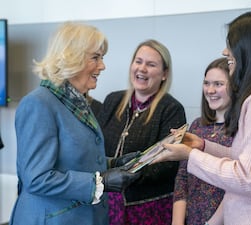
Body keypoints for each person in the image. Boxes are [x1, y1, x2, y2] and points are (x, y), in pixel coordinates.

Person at [154, 8, 251, 225]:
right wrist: (203, 146)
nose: (225, 51)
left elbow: (250, 180)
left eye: (232, 45)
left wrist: (190, 156)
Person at [9, 22, 141, 225]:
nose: (102, 66)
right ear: (72, 58)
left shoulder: (77, 102)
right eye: (95, 57)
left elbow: (73, 160)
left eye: (102, 58)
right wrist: (100, 182)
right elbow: (37, 179)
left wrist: (114, 164)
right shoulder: (38, 104)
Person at [91, 39, 187, 225]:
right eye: (138, 61)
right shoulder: (113, 100)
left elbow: (168, 165)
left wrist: (126, 174)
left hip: (148, 209)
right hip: (107, 203)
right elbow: (97, 143)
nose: (142, 69)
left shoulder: (171, 109)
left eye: (151, 65)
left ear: (164, 74)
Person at [172, 57, 233, 225]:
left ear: (235, 87)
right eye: (207, 83)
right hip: (193, 219)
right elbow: (183, 178)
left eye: (218, 84)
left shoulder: (243, 128)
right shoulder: (197, 125)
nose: (210, 90)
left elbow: (236, 187)